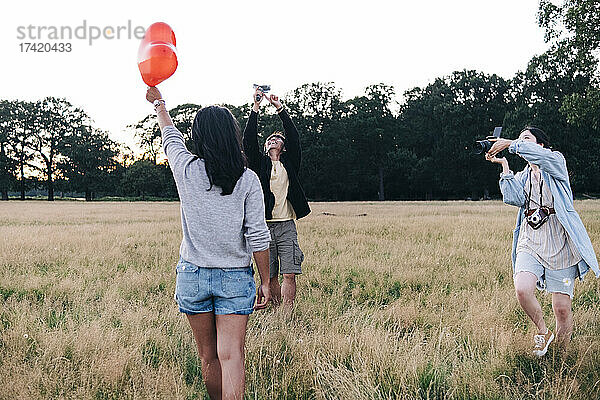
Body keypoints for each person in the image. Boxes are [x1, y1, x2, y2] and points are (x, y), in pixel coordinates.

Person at [145, 87, 272, 400]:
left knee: (208, 356)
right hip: (234, 277)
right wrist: (267, 282)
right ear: (232, 136)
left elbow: (169, 134)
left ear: (197, 137)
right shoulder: (248, 179)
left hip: (192, 276)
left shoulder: (186, 170)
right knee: (232, 356)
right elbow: (257, 235)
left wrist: (159, 103)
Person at [486, 126, 599, 356]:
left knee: (562, 309)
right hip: (530, 240)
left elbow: (541, 158)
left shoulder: (555, 162)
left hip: (561, 242)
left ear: (540, 145)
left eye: (526, 139)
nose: (520, 143)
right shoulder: (523, 175)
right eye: (519, 140)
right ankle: (543, 332)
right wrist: (505, 167)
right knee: (522, 289)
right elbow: (513, 198)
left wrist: (509, 143)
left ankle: (560, 355)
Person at [242, 88, 311, 310]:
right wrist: (256, 106)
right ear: (265, 146)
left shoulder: (290, 163)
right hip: (263, 226)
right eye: (270, 139)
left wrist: (279, 108)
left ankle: (287, 315)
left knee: (289, 272)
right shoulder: (259, 164)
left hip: (286, 225)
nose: (273, 140)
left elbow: (294, 136)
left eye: (277, 139)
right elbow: (248, 140)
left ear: (283, 147)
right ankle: (275, 310)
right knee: (269, 275)